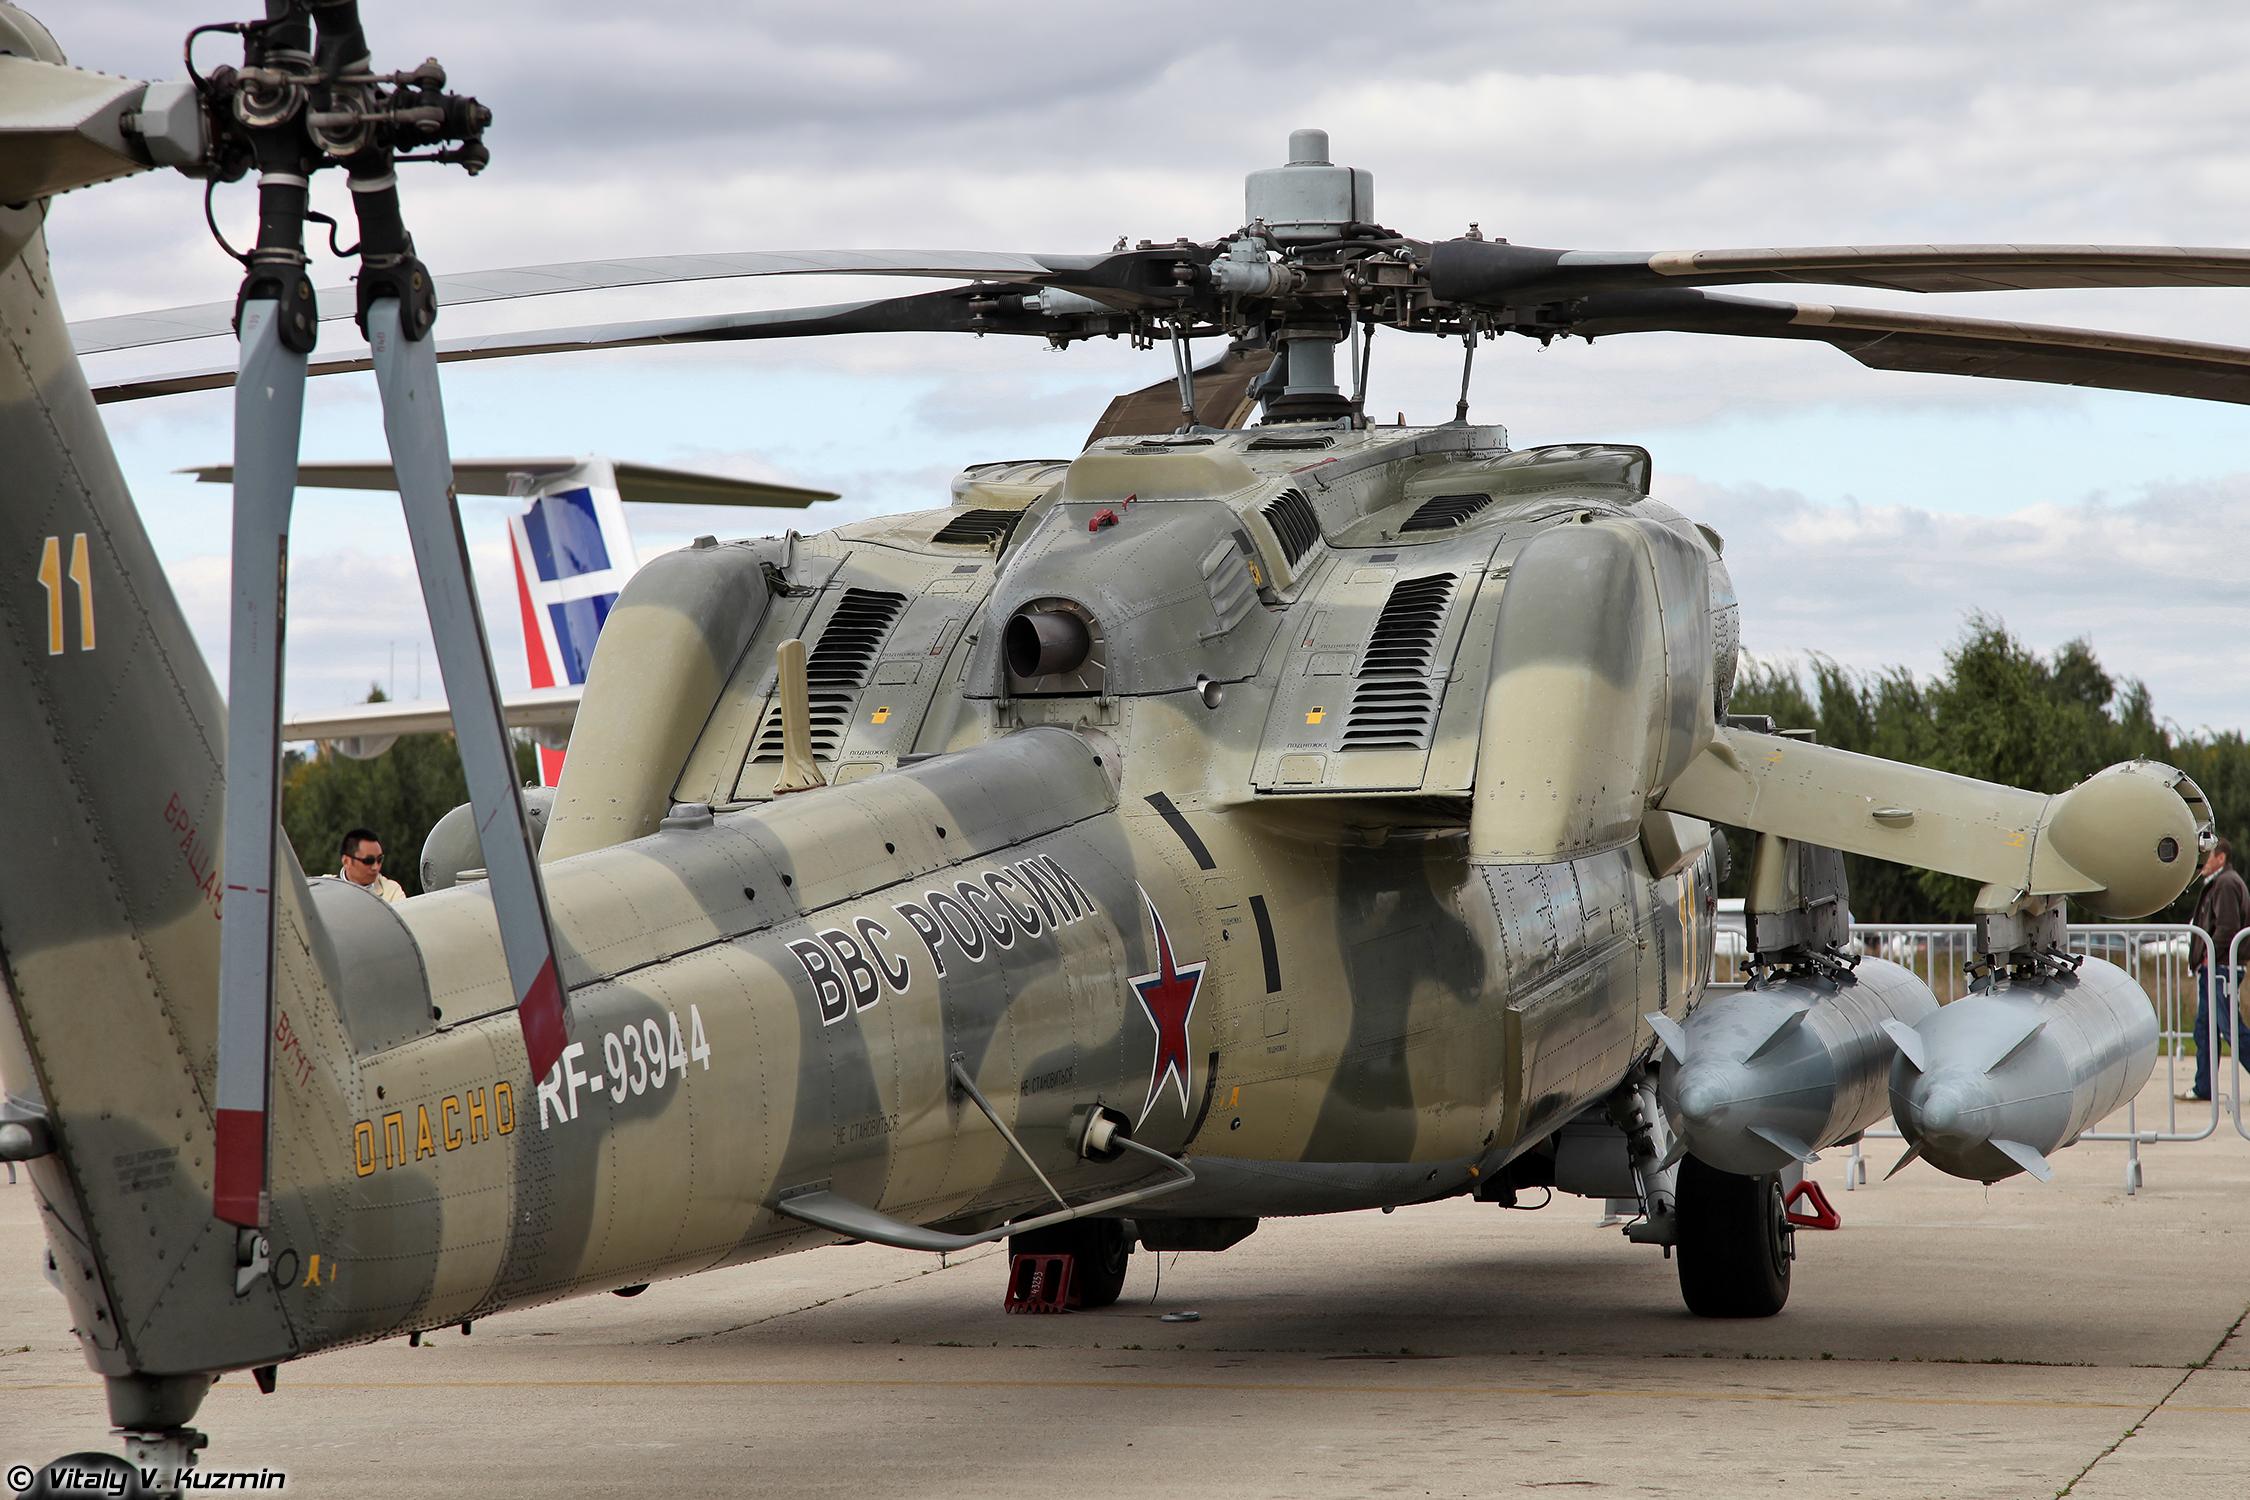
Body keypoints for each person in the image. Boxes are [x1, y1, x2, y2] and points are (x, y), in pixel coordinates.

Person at [2183, 837, 2250, 1102]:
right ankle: (2204, 1086)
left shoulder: (2226, 883)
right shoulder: (2220, 882)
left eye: (2207, 856)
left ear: (2221, 858)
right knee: (2205, 1029)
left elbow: (2227, 927)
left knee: (2231, 1029)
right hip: (2216, 967)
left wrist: (2210, 956)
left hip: (2221, 968)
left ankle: (2203, 1086)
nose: (2202, 862)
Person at [337, 827, 406, 904]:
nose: (376, 867)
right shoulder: (326, 888)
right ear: (346, 861)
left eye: (379, 859)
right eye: (368, 861)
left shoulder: (392, 892)